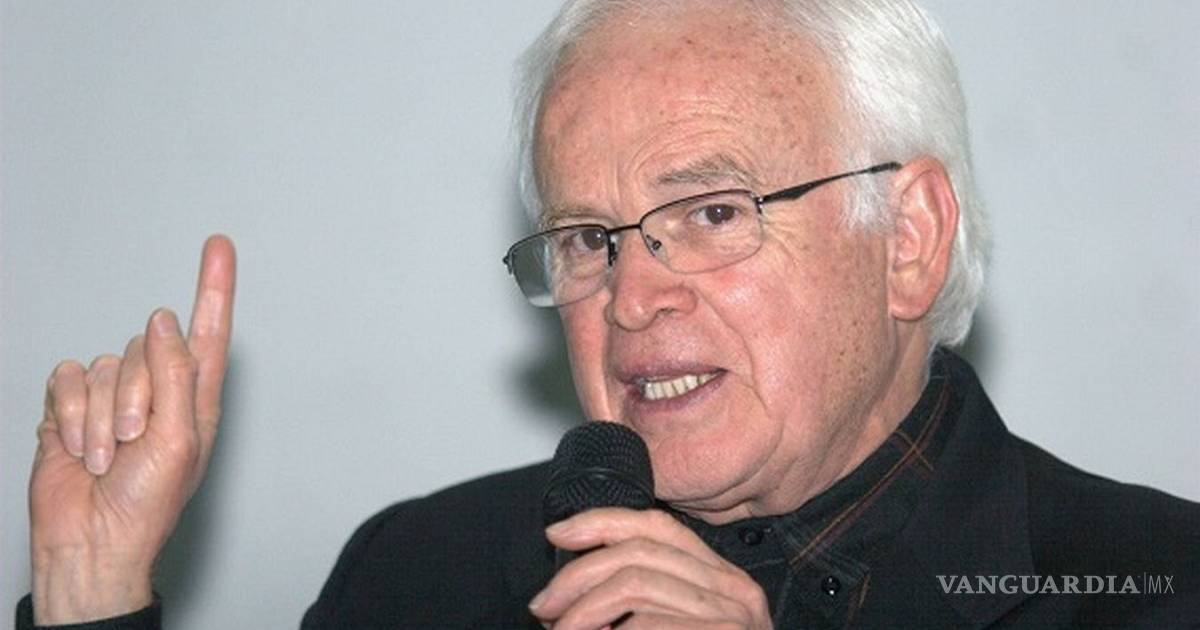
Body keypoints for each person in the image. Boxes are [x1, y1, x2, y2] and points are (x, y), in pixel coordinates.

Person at [17, 0, 1200, 628]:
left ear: (908, 241)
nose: (631, 299)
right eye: (589, 238)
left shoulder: (1158, 586)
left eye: (715, 213)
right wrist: (89, 592)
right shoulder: (419, 573)